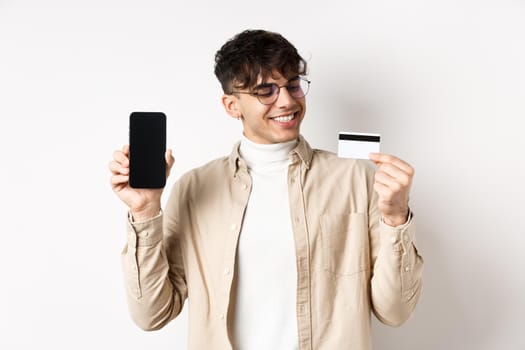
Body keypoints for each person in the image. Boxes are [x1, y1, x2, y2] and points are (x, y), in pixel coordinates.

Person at [109, 29, 423, 350]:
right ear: (232, 105)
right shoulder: (194, 188)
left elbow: (395, 311)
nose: (286, 101)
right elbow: (152, 314)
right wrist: (145, 211)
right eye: (265, 90)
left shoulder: (356, 180)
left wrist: (397, 218)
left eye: (293, 85)